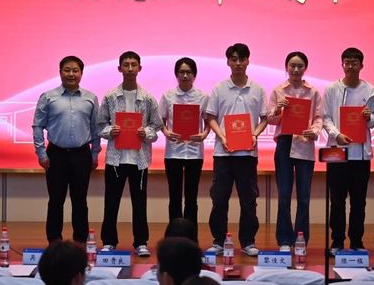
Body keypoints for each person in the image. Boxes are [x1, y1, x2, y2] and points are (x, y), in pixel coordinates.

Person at [206, 43, 268, 257]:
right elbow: (211, 117)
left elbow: (264, 118)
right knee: (219, 199)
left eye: (242, 59)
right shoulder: (219, 88)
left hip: (248, 154)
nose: (238, 63)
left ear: (248, 61)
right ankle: (218, 241)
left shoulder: (257, 89)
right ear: (228, 62)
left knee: (248, 201)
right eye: (234, 59)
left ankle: (248, 241)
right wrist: (222, 136)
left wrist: (255, 134)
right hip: (223, 154)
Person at [98, 50, 163, 256]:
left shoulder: (148, 98)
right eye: (126, 65)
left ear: (139, 68)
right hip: (115, 159)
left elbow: (157, 125)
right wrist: (110, 131)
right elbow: (100, 125)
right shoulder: (110, 96)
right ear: (119, 68)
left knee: (139, 203)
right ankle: (109, 241)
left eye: (133, 65)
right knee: (111, 202)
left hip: (139, 159)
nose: (130, 68)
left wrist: (146, 132)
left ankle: (141, 242)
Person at [32, 56, 100, 243]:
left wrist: (95, 153)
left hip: (82, 154)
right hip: (56, 155)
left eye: (75, 70)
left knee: (80, 201)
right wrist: (41, 153)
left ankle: (80, 241)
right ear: (60, 72)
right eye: (67, 70)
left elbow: (95, 128)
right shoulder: (48, 97)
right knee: (56, 200)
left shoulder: (91, 98)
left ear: (81, 73)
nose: (71, 74)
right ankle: (54, 241)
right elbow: (38, 126)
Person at [322, 47, 374, 254]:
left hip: (361, 154)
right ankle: (337, 242)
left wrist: (369, 117)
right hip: (337, 151)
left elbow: (373, 122)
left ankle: (356, 242)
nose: (351, 66)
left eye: (355, 62)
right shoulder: (331, 89)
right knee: (337, 201)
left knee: (358, 201)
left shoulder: (371, 90)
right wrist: (336, 134)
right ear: (342, 64)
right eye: (347, 62)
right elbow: (325, 117)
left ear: (361, 65)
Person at [266, 51, 323, 251]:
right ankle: (284, 240)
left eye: (300, 66)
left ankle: (300, 240)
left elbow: (319, 117)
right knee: (283, 195)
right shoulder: (278, 91)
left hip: (305, 142)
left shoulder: (313, 92)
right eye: (292, 66)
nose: (296, 69)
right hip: (285, 143)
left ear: (305, 68)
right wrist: (277, 110)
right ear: (286, 67)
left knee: (304, 197)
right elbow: (271, 120)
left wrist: (315, 131)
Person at [160, 57, 210, 226]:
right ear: (176, 74)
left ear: (194, 75)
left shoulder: (203, 97)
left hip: (195, 152)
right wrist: (167, 133)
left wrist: (204, 134)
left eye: (189, 72)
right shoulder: (168, 96)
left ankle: (190, 235)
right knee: (174, 197)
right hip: (173, 152)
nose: (185, 75)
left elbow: (208, 121)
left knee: (191, 197)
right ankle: (174, 235)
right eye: (181, 72)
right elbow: (161, 121)